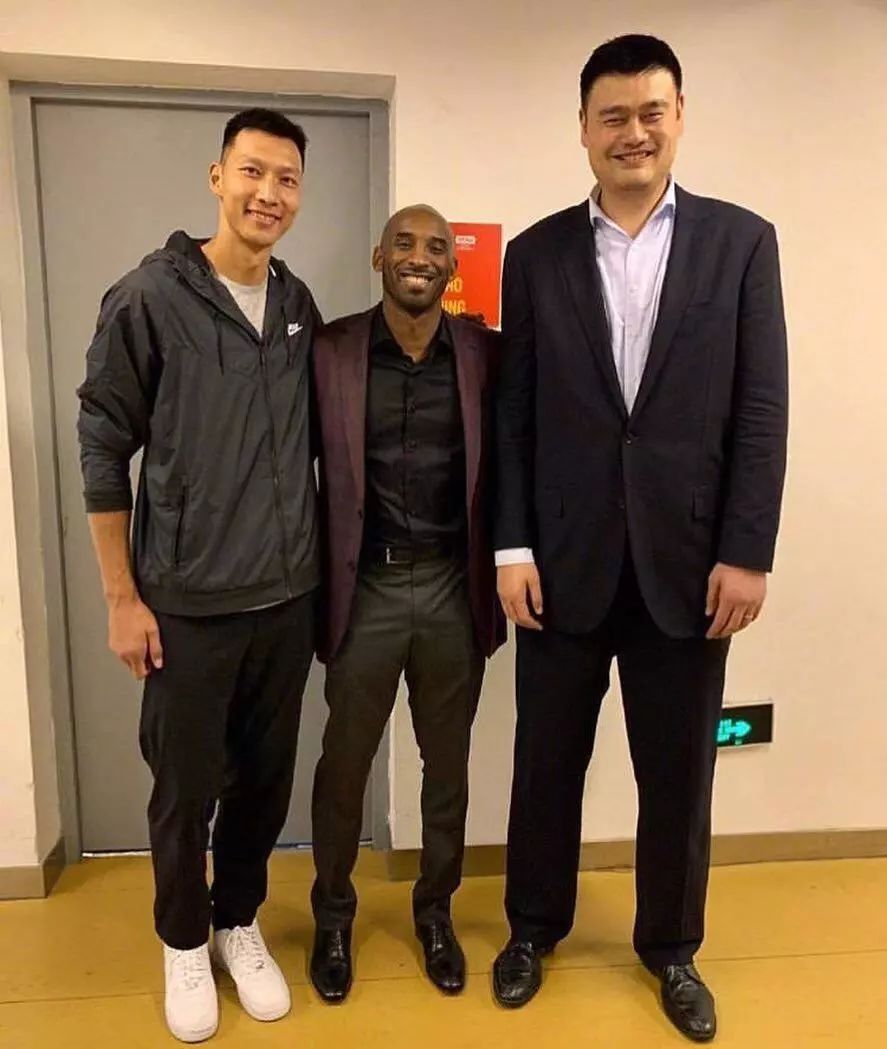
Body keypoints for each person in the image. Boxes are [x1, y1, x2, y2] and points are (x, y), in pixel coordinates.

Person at [491, 35, 788, 1043]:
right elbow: (514, 414)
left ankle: (671, 946)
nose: (632, 132)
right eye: (611, 115)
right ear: (582, 129)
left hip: (690, 566)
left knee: (679, 773)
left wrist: (747, 550)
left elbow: (760, 408)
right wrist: (510, 546)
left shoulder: (740, 244)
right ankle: (532, 928)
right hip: (560, 563)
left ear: (678, 117)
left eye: (649, 111)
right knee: (544, 763)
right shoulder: (534, 255)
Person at [77, 108, 320, 1043]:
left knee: (264, 781)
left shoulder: (296, 304)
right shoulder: (150, 296)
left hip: (285, 599)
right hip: (185, 605)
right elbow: (103, 447)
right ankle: (183, 938)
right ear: (217, 177)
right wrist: (121, 597)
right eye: (253, 172)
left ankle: (236, 920)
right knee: (185, 789)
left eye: (287, 178)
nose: (269, 193)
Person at [308, 205, 504, 1003]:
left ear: (450, 268)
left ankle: (435, 913)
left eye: (434, 247)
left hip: (455, 586)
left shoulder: (486, 355)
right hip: (366, 589)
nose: (418, 257)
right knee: (343, 764)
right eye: (403, 243)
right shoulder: (330, 351)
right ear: (377, 257)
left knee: (446, 767)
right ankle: (331, 915)